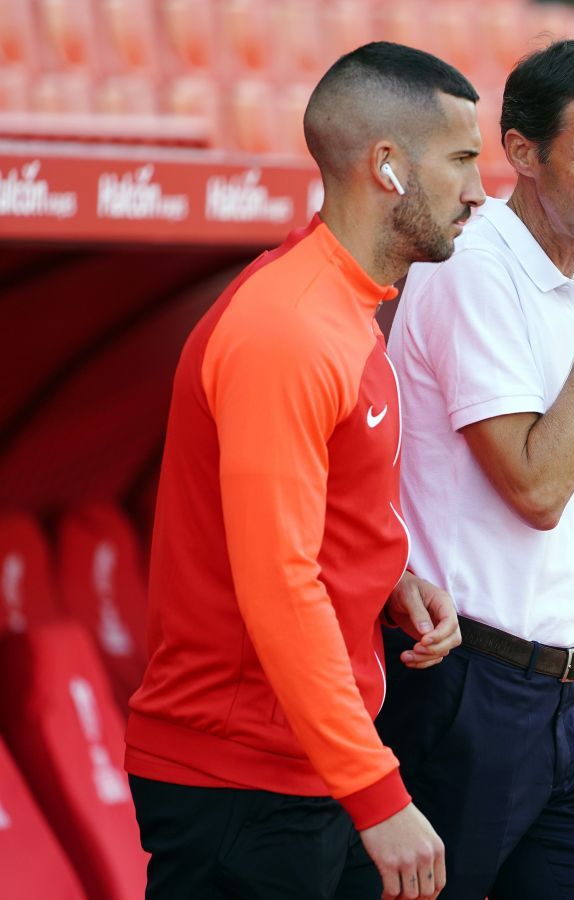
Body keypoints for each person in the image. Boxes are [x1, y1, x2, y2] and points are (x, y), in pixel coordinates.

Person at [125, 42, 485, 900]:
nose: (478, 191)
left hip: (306, 765)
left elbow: (314, 519)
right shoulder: (287, 328)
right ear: (388, 167)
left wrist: (388, 574)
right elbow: (278, 582)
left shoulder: (340, 305)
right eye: (463, 161)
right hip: (243, 784)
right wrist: (376, 790)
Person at [377, 38, 574, 900]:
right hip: (461, 689)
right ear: (521, 153)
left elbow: (551, 552)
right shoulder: (474, 268)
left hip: (560, 698)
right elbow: (537, 491)